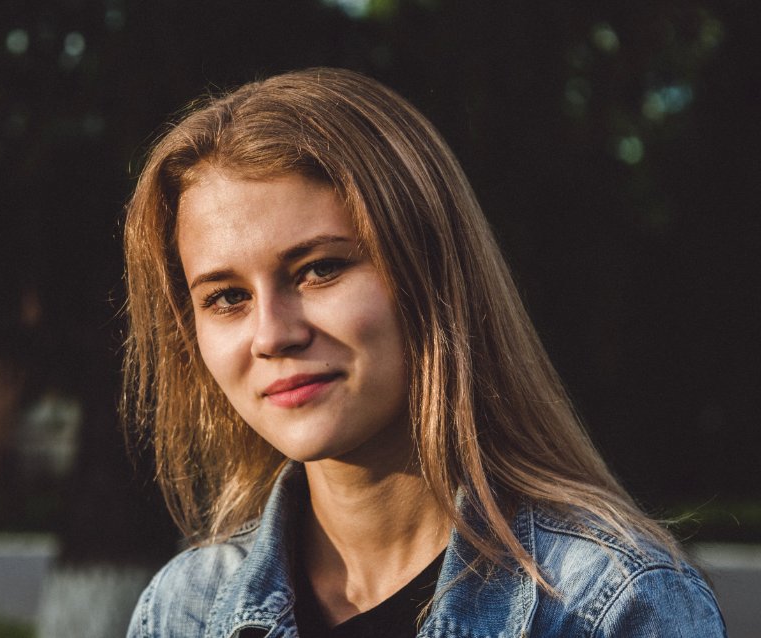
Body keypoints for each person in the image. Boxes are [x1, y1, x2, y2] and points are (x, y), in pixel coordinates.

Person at [121, 68, 725, 637]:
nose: (272, 335)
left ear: (431, 271)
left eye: (319, 269)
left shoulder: (610, 604)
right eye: (226, 297)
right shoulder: (184, 610)